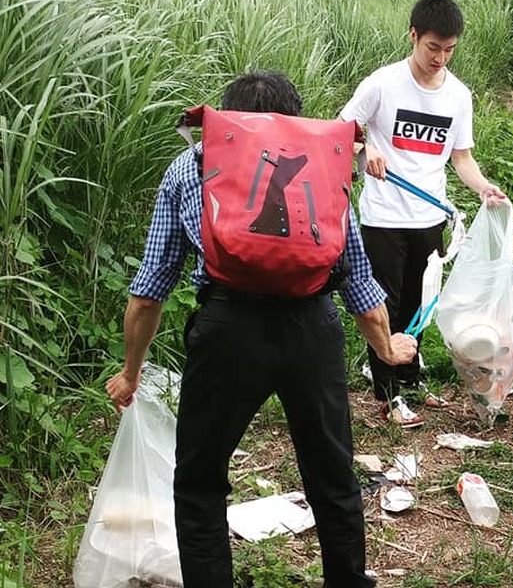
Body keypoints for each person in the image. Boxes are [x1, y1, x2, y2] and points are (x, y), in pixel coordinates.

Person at [105, 70, 417, 588]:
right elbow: (357, 275)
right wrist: (385, 346)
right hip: (312, 330)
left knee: (200, 482)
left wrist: (131, 371)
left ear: (227, 120)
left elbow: (149, 290)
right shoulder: (324, 170)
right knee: (333, 476)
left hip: (228, 330)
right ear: (295, 119)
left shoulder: (193, 166)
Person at [339, 0, 508, 429]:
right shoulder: (382, 84)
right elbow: (342, 132)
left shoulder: (458, 96)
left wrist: (485, 187)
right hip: (383, 218)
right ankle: (387, 395)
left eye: (449, 50)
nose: (440, 57)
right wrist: (366, 148)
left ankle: (409, 382)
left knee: (420, 304)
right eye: (433, 47)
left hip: (430, 217)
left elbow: (462, 159)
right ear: (413, 35)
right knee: (385, 307)